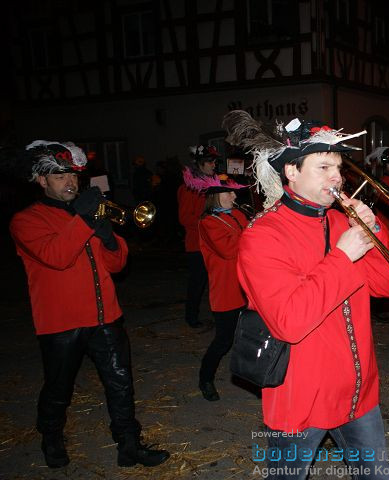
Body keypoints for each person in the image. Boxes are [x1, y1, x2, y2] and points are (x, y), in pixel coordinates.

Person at [223, 111, 389, 480]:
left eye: (338, 167)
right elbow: (289, 322)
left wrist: (375, 230)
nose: (337, 177)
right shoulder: (262, 236)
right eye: (323, 167)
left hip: (358, 391)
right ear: (292, 172)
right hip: (301, 398)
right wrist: (344, 256)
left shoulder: (341, 220)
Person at [8, 141, 170, 469]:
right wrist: (83, 221)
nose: (70, 182)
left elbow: (116, 265)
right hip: (61, 322)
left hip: (105, 315)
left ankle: (129, 445)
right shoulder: (26, 221)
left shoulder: (88, 214)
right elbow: (56, 257)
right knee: (59, 387)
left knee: (121, 383)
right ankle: (51, 436)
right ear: (42, 181)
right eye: (60, 176)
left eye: (73, 175)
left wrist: (110, 239)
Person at [193, 174, 249, 400]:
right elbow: (229, 250)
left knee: (249, 335)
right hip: (226, 291)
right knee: (223, 341)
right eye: (229, 192)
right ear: (216, 196)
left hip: (247, 287)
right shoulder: (208, 222)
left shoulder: (237, 214)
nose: (234, 195)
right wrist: (254, 233)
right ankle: (205, 378)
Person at [177, 145, 219, 328]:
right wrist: (208, 222)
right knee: (197, 283)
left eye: (215, 162)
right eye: (210, 162)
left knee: (216, 282)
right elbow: (185, 218)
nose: (214, 165)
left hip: (213, 243)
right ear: (200, 165)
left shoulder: (213, 184)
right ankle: (191, 316)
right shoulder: (190, 188)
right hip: (197, 245)